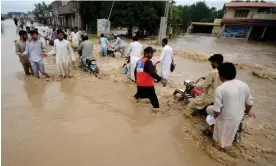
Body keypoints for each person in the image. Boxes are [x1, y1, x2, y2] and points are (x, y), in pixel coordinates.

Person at [208, 62, 254, 149]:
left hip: (225, 119)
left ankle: (216, 152)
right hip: (238, 117)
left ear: (221, 76)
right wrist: (246, 112)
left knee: (217, 140)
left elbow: (217, 111)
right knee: (229, 137)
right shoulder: (244, 85)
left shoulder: (220, 89)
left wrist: (214, 118)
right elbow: (249, 104)